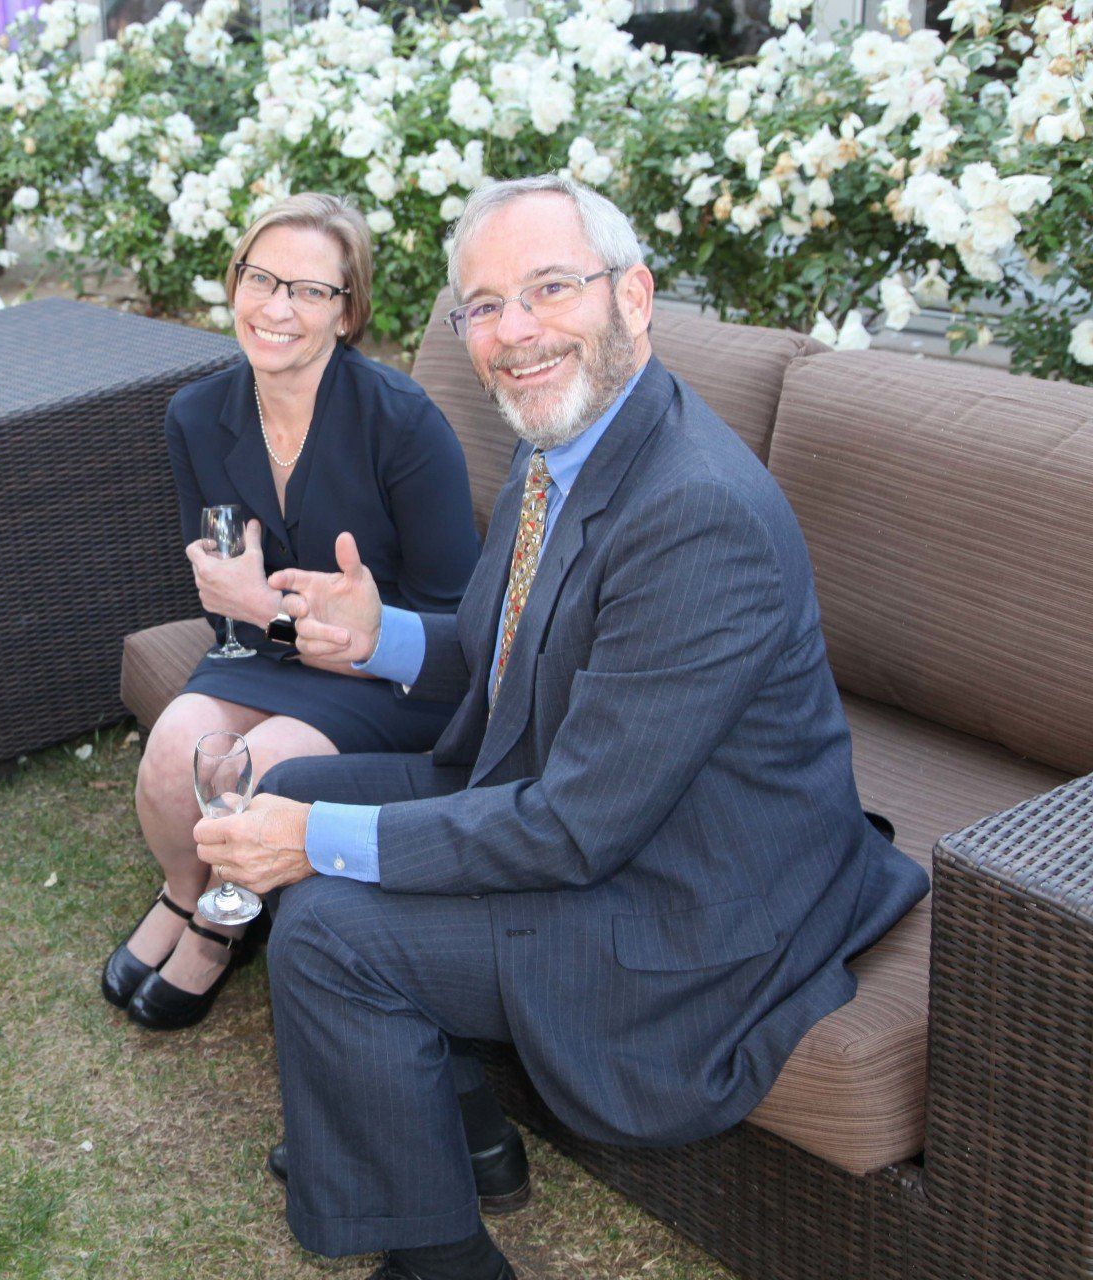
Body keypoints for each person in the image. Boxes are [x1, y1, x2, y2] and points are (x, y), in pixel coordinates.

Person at [192, 174, 929, 1280]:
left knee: (332, 927)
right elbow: (517, 645)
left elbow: (576, 828)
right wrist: (381, 637)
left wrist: (313, 846)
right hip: (586, 808)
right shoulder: (563, 441)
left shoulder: (696, 512)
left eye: (549, 288)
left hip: (685, 900)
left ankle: (443, 1260)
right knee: (294, 791)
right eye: (485, 306)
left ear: (633, 295)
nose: (515, 332)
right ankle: (450, 1122)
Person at [102, 193, 481, 1032]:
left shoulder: (405, 425)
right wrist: (262, 615)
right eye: (261, 280)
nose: (277, 308)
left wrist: (261, 606)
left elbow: (458, 630)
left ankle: (220, 930)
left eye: (310, 291)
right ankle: (184, 891)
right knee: (175, 751)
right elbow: (223, 598)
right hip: (264, 651)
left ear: (347, 313)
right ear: (234, 283)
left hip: (387, 675)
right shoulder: (197, 417)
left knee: (260, 764)